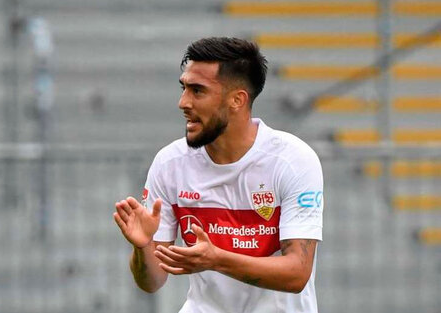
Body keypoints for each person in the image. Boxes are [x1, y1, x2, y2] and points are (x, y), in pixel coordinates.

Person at [113, 37, 324, 313]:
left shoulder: (293, 160)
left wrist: (216, 259)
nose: (183, 102)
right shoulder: (170, 163)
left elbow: (297, 272)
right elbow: (152, 282)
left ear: (237, 100)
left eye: (197, 91)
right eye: (184, 88)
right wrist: (142, 249)